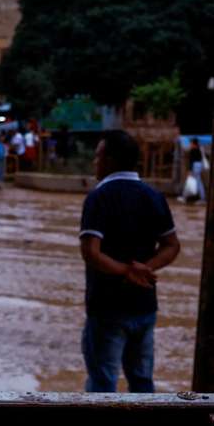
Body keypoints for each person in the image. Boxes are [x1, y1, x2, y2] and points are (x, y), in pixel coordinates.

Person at [79, 130, 181, 394]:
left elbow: (91, 252)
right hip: (145, 305)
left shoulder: (98, 198)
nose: (94, 163)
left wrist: (126, 270)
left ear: (110, 160)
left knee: (103, 382)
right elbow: (172, 246)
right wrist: (144, 269)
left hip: (107, 307)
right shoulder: (153, 196)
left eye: (98, 156)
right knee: (142, 381)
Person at [183, 137, 205, 203]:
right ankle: (201, 197)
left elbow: (191, 161)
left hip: (195, 166)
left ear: (194, 143)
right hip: (198, 165)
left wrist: (190, 170)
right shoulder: (199, 150)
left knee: (198, 182)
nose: (190, 144)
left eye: (191, 143)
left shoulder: (193, 150)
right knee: (198, 181)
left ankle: (202, 198)